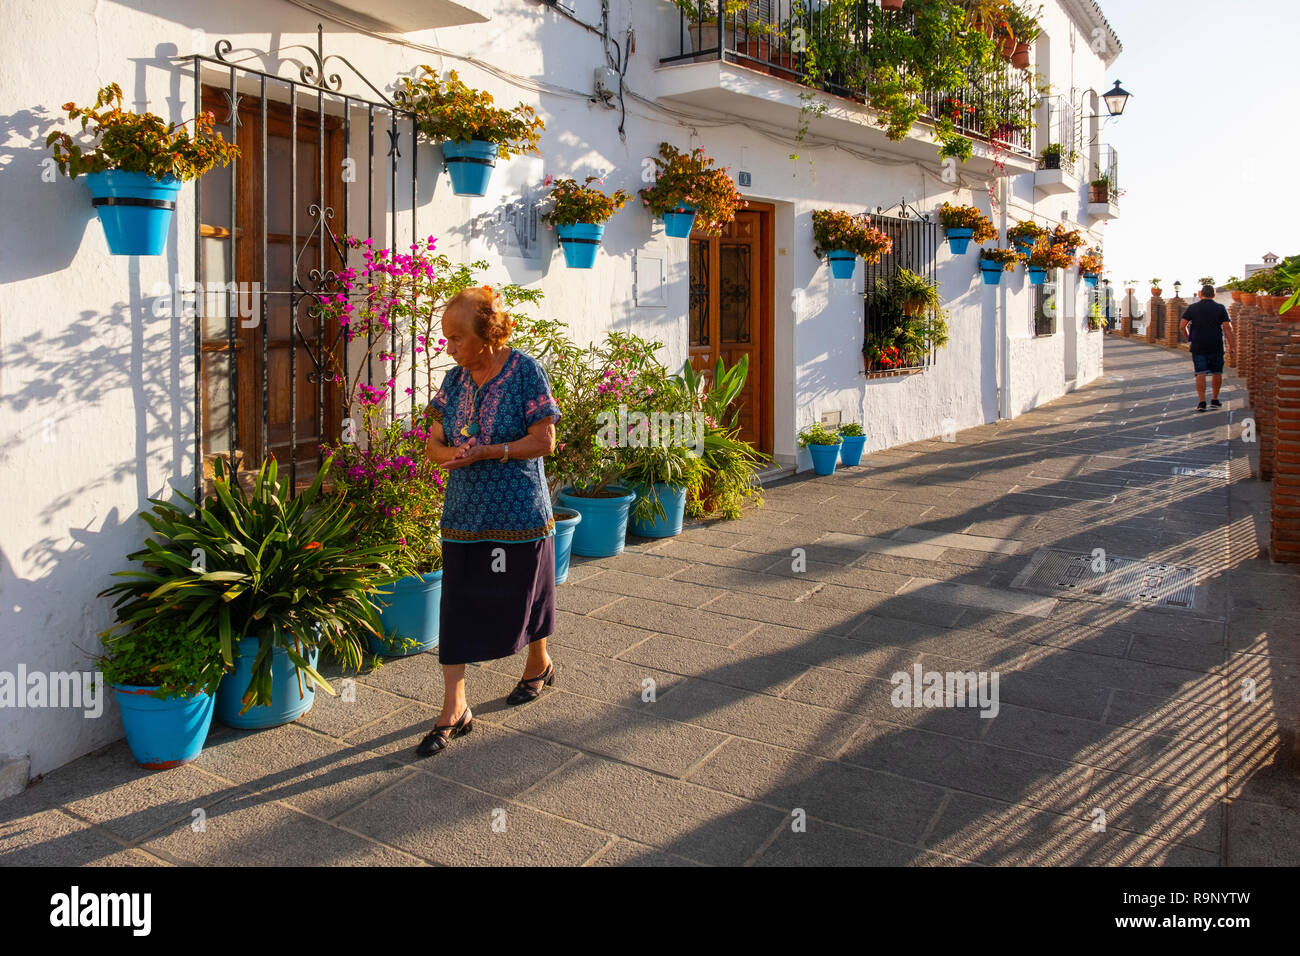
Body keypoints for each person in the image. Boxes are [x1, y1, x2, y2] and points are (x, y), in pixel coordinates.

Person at [418, 286, 561, 756]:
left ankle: (538, 663)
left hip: (518, 510)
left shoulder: (525, 372)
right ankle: (454, 706)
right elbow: (432, 445)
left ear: (487, 334)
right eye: (447, 338)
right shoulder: (455, 381)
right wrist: (451, 456)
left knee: (526, 595)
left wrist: (492, 451)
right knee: (457, 605)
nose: (450, 348)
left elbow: (545, 441)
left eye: (457, 338)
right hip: (464, 514)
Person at [1180, 284, 1235, 412]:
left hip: (1198, 345)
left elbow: (1182, 326)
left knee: (1200, 373)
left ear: (1201, 294)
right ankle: (1215, 400)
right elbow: (1227, 328)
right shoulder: (1220, 308)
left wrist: (1189, 338)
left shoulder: (1193, 308)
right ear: (1214, 295)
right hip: (1215, 344)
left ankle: (1202, 402)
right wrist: (1232, 346)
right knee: (1217, 372)